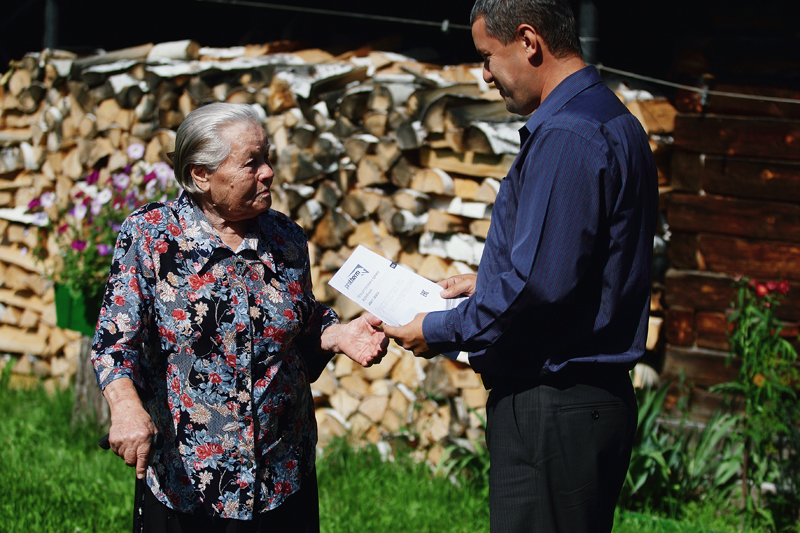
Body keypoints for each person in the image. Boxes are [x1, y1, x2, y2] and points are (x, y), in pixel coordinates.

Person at [383, 0, 658, 531]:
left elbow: (537, 286)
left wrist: (438, 329)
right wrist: (488, 283)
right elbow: (577, 264)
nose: (484, 74)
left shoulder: (567, 135)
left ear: (529, 41)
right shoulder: (612, 118)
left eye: (488, 56)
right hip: (583, 403)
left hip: (553, 403)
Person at [91, 102, 388, 532]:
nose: (268, 172)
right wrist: (125, 407)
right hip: (189, 482)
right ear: (201, 175)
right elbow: (114, 342)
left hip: (281, 477)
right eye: (252, 163)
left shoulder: (285, 238)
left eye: (267, 158)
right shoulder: (151, 237)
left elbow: (301, 320)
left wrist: (337, 333)